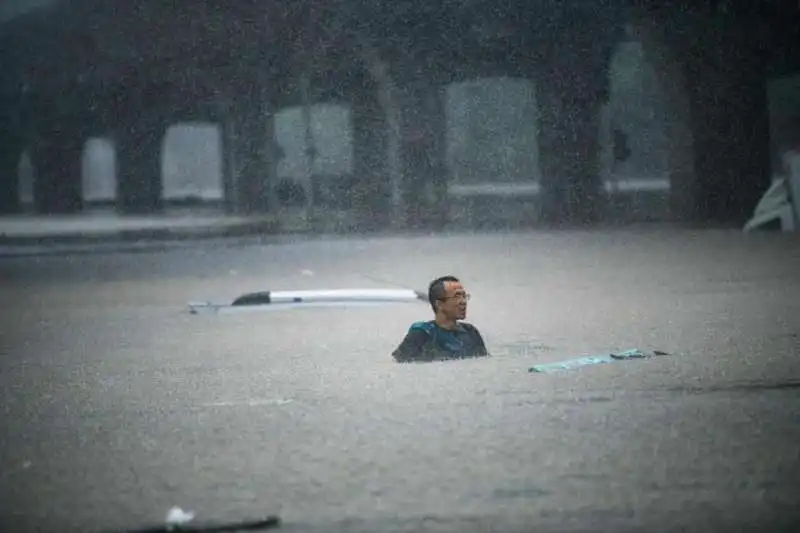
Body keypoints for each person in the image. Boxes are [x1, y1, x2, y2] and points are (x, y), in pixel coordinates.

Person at [392, 275, 490, 362]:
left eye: (464, 296)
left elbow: (483, 361)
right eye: (457, 297)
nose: (463, 302)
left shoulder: (470, 332)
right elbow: (398, 364)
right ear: (439, 304)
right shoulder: (422, 333)